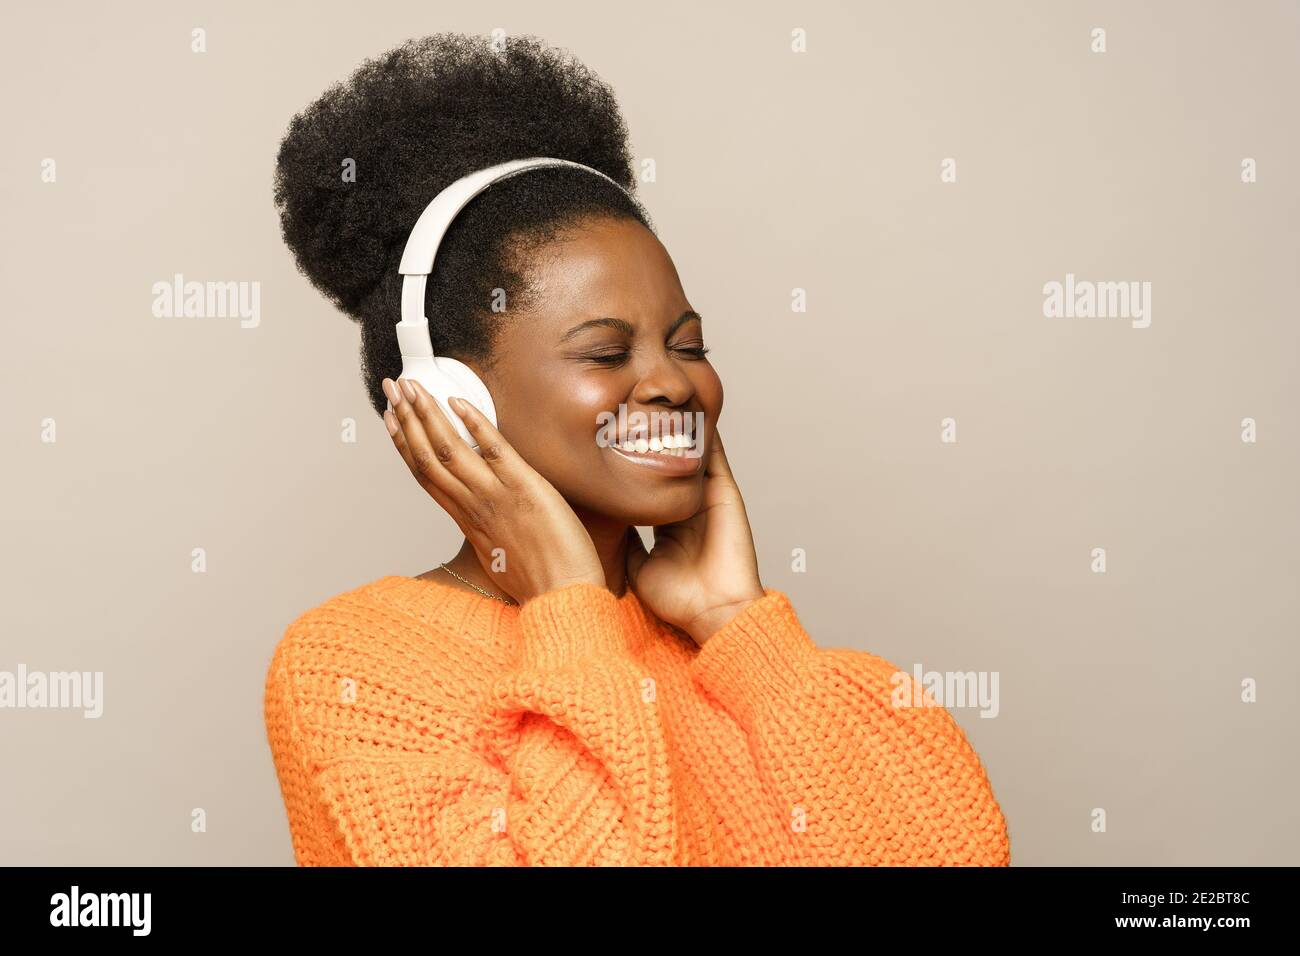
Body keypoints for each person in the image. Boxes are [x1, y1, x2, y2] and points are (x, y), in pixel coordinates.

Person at [264, 32, 1011, 866]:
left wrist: (743, 632)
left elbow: (958, 854)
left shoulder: (734, 657)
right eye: (607, 353)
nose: (674, 386)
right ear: (453, 400)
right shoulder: (356, 666)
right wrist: (571, 615)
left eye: (688, 347)